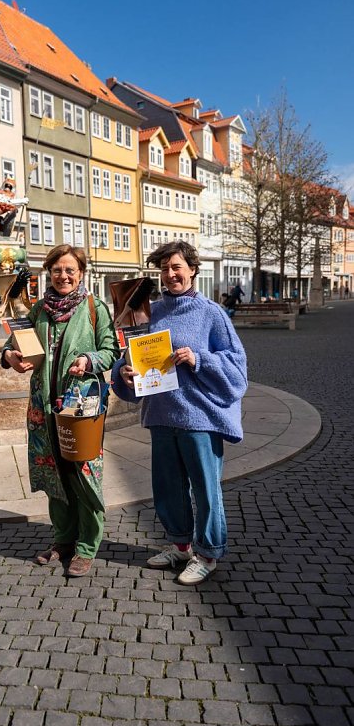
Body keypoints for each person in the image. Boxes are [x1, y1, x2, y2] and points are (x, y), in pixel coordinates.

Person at [111, 241, 247, 585]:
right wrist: (123, 373)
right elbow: (128, 358)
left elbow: (237, 367)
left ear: (192, 269)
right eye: (165, 269)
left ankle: (208, 553)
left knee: (205, 490)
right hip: (161, 415)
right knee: (168, 489)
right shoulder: (148, 312)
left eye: (176, 268)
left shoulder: (211, 313)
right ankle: (181, 546)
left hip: (199, 418)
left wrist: (199, 359)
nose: (170, 275)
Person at [2, 244, 120, 577]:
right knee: (53, 472)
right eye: (57, 270)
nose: (63, 276)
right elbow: (17, 344)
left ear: (81, 273)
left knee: (82, 474)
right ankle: (63, 539)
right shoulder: (39, 309)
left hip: (80, 407)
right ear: (49, 273)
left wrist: (89, 360)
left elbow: (111, 349)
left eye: (70, 270)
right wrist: (11, 357)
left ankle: (86, 545)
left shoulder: (94, 307)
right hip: (43, 408)